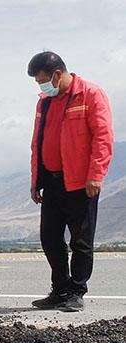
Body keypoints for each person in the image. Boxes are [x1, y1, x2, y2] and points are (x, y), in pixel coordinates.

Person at [28, 51, 113, 312]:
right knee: (50, 238)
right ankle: (60, 288)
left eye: (42, 80)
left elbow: (103, 137)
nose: (40, 86)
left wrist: (96, 174)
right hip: (52, 182)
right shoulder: (44, 102)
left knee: (81, 240)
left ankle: (77, 291)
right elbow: (37, 142)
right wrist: (36, 180)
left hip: (80, 182)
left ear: (57, 74)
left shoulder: (89, 94)